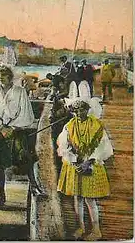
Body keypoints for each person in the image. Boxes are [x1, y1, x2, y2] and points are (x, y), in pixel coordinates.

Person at [0, 64, 43, 208]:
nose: (1, 77)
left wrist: (12, 127)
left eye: (4, 74)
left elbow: (25, 111)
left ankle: (34, 186)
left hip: (16, 129)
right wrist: (0, 127)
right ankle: (2, 195)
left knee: (25, 159)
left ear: (10, 76)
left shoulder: (20, 92)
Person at [56, 99, 113, 240]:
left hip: (91, 163)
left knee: (89, 199)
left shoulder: (96, 125)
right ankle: (80, 227)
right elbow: (64, 146)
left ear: (88, 109)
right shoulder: (69, 126)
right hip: (76, 165)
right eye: (76, 110)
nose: (79, 113)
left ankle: (96, 229)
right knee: (78, 197)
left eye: (82, 109)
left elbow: (103, 145)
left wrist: (89, 161)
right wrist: (74, 161)